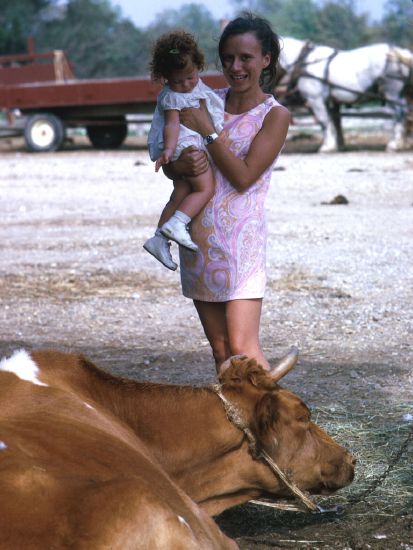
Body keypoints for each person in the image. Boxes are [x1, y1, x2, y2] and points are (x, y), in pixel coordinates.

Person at [163, 13, 291, 371]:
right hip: (199, 242)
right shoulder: (204, 100)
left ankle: (280, 427)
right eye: (229, 58)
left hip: (241, 246)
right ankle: (237, 428)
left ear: (266, 60)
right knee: (221, 353)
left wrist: (207, 131)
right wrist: (178, 166)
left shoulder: (274, 115)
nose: (236, 67)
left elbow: (244, 177)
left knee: (243, 350)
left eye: (246, 58)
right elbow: (176, 165)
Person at [143, 30, 224, 271]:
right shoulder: (172, 97)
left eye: (189, 78)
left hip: (185, 142)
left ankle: (159, 239)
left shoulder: (194, 87)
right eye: (177, 81)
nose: (185, 85)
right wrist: (168, 151)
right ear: (165, 78)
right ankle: (178, 223)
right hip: (184, 144)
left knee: (181, 191)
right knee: (205, 187)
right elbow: (171, 124)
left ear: (199, 66)